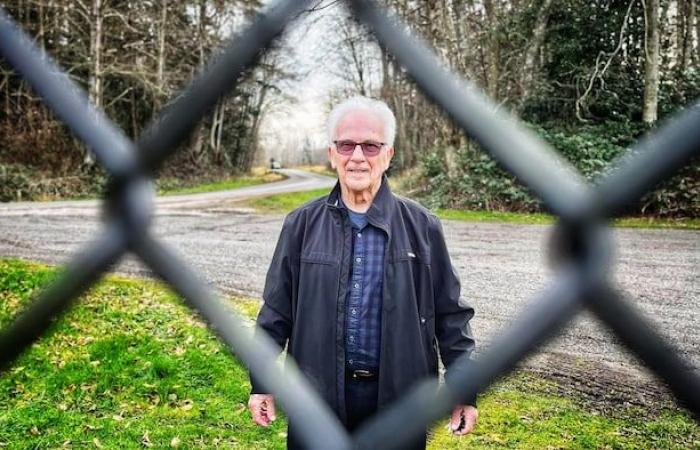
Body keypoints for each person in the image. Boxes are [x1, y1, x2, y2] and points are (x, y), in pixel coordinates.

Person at [248, 96, 477, 449]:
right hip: (317, 400)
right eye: (346, 145)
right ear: (331, 153)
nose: (357, 156)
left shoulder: (423, 226)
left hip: (400, 404)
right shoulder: (301, 224)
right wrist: (261, 381)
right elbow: (276, 312)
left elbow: (451, 316)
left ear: (388, 154)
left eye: (371, 146)